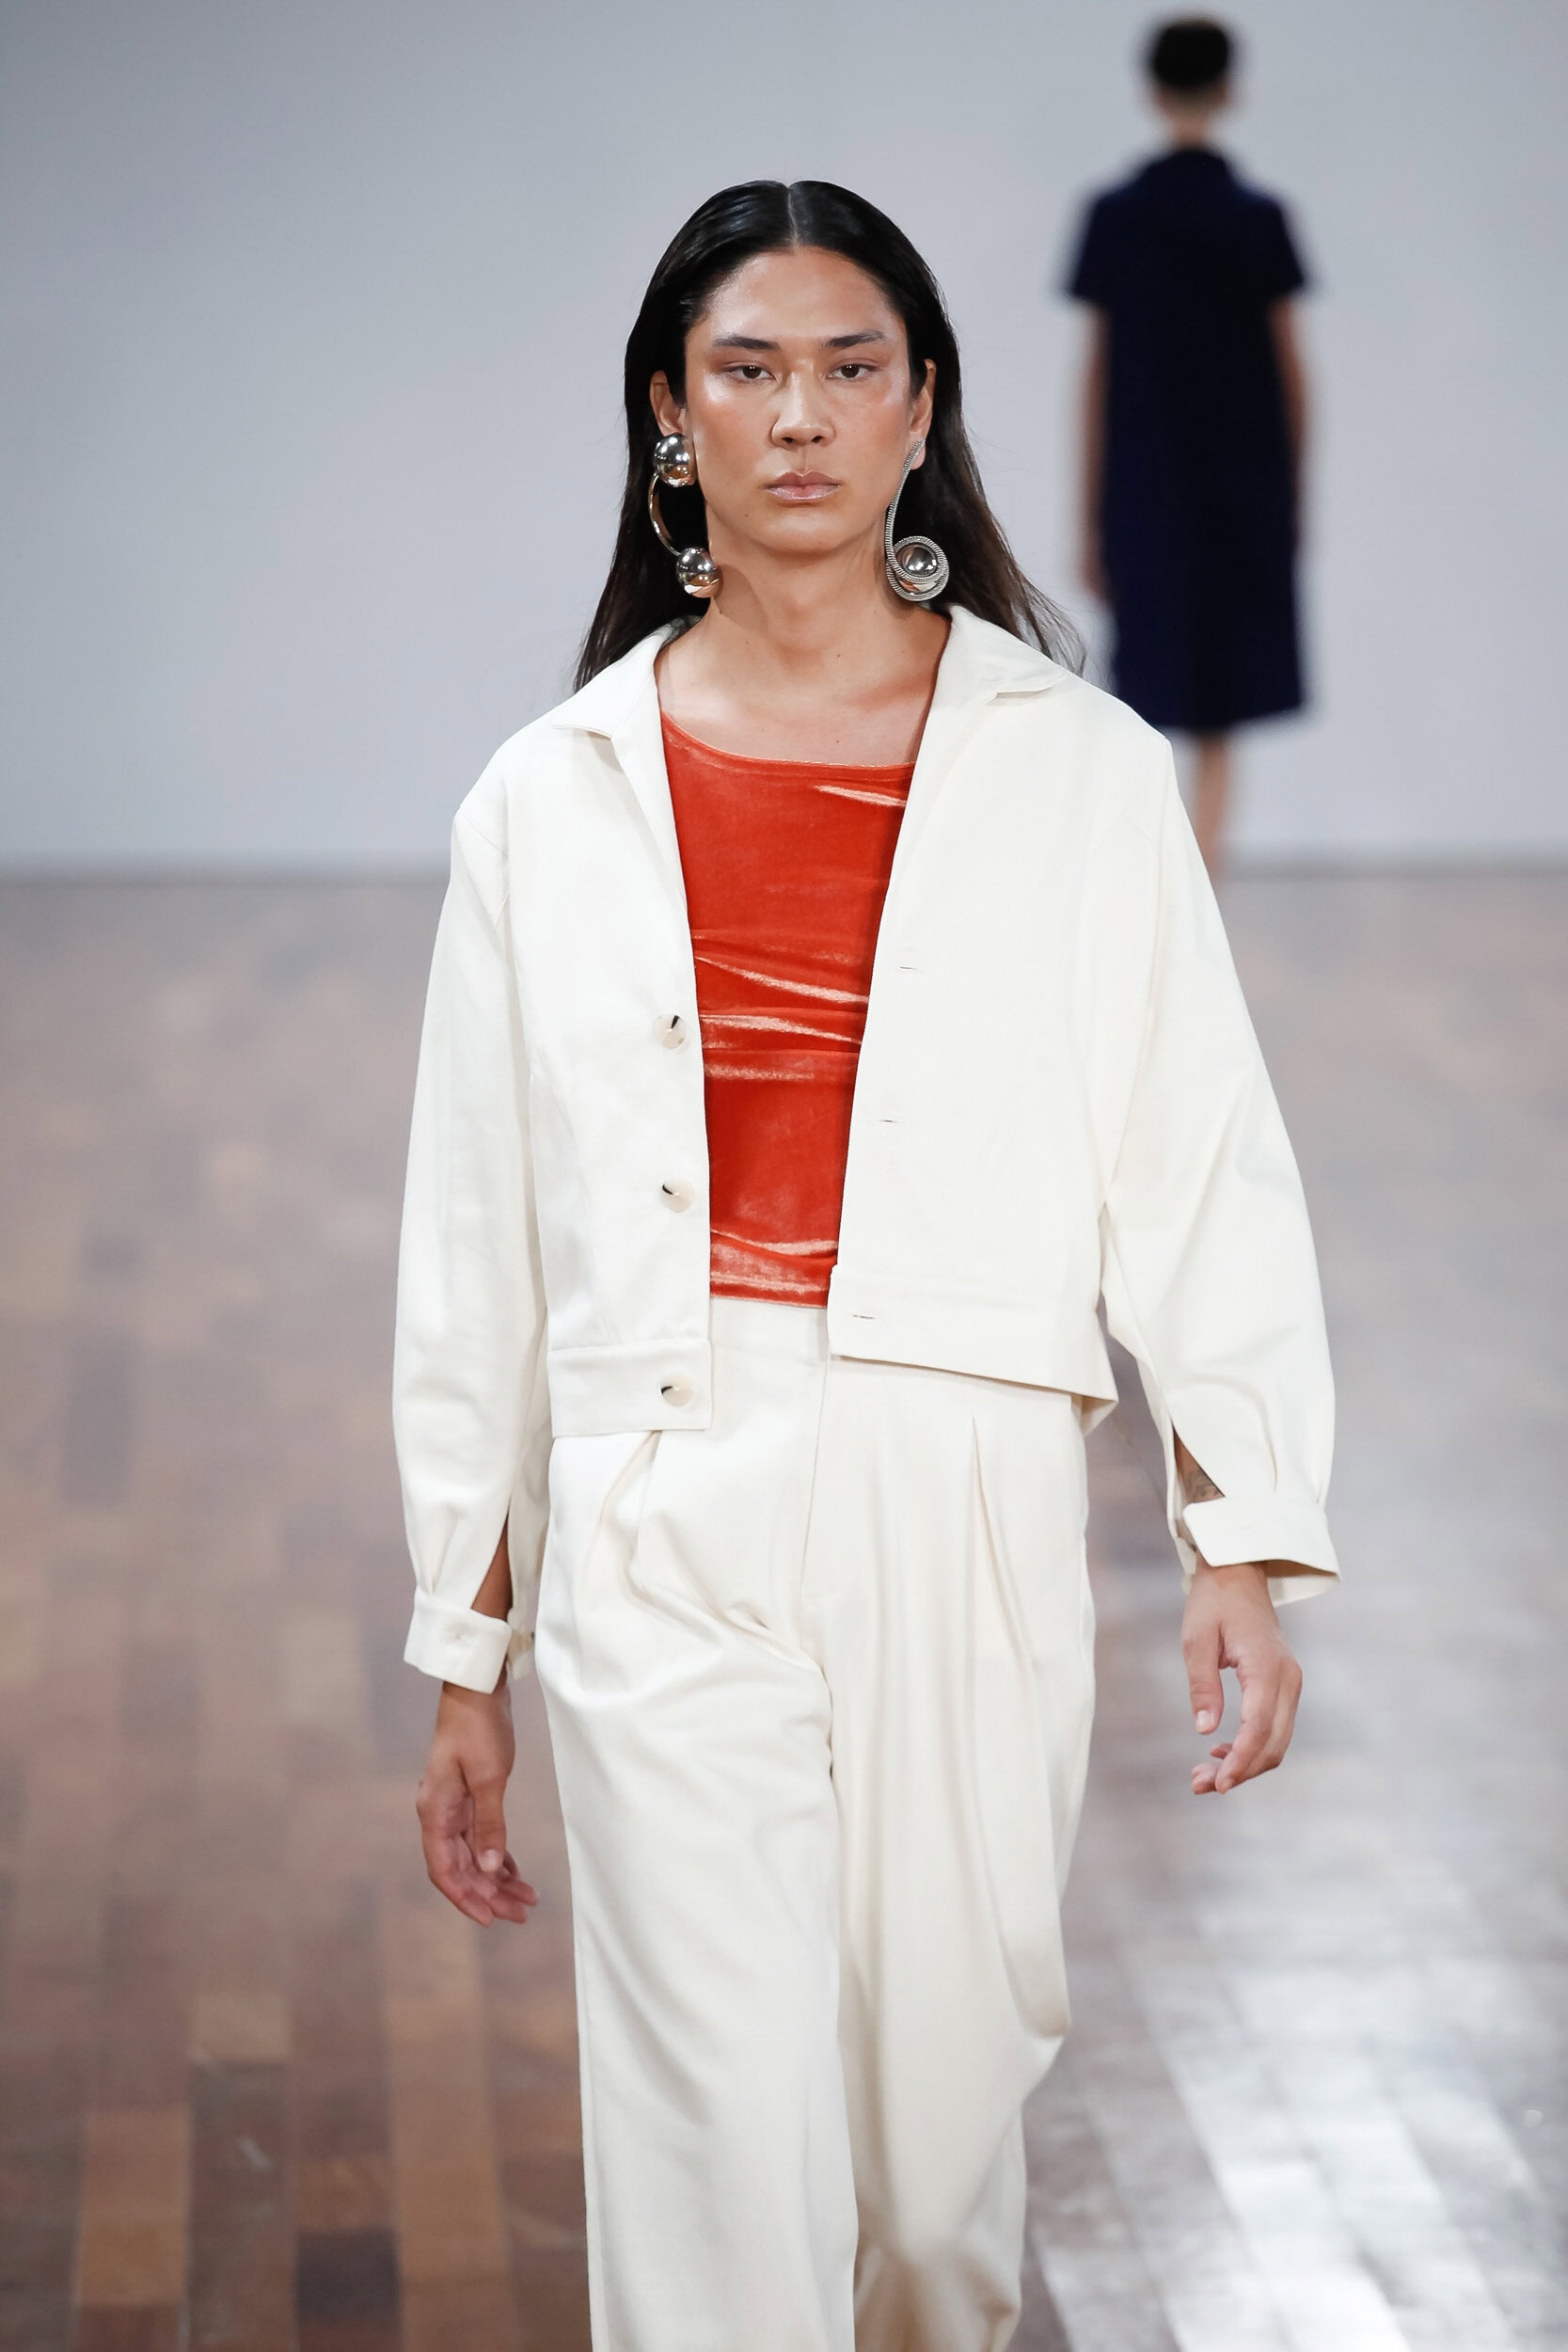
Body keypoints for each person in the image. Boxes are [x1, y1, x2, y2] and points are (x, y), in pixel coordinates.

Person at [393, 178, 1338, 2352]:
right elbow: (475, 1243)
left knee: (927, 2193)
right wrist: (466, 1636)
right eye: (746, 371)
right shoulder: (546, 798)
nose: (799, 416)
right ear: (669, 413)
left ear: (923, 408)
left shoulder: (1076, 772)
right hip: (658, 1488)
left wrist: (1239, 1525)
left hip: (962, 1478)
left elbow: (1197, 1157)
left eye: (848, 368)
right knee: (718, 2155)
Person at [1067, 17, 1311, 873]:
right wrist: (1294, 498)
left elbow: (1097, 376)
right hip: (1244, 488)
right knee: (1219, 700)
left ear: (1151, 91)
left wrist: (1090, 511)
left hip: (1145, 486)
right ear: (1230, 90)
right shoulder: (1257, 217)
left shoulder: (1115, 217)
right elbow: (1291, 374)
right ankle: (1199, 877)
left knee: (1148, 687)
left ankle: (1166, 881)